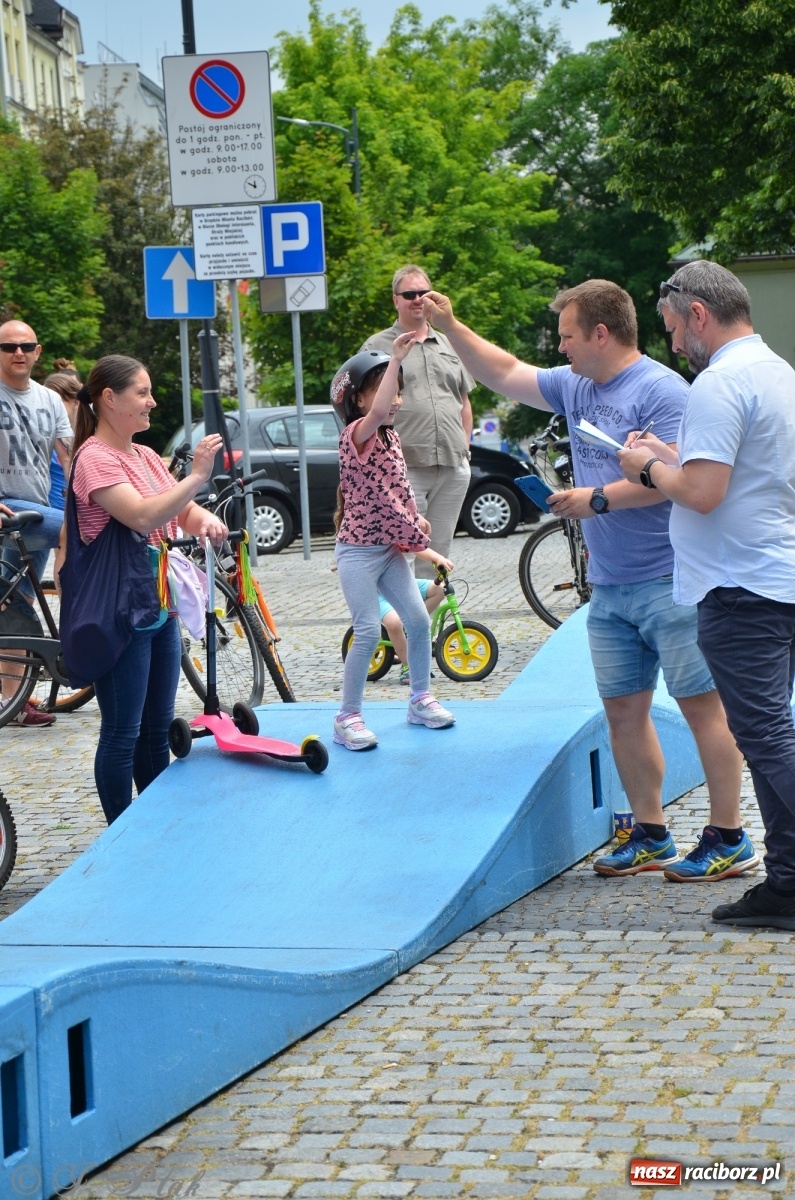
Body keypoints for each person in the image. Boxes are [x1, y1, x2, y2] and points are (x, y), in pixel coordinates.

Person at [421, 281, 756, 882]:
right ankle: (650, 832)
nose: (561, 346)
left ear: (601, 334)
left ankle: (729, 835)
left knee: (704, 711)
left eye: (568, 335)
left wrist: (596, 499)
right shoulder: (574, 385)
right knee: (624, 714)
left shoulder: (663, 389)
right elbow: (504, 372)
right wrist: (450, 326)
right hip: (609, 588)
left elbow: (679, 472)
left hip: (670, 580)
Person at [618, 261, 795, 928]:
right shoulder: (776, 371)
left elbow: (701, 493)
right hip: (773, 575)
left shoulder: (718, 383)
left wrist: (646, 465)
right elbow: (740, 471)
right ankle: (786, 883)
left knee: (767, 738)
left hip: (739, 584)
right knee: (768, 734)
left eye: (670, 329)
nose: (670, 345)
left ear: (697, 315)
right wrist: (673, 454)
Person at [62, 355, 227, 825]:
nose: (152, 402)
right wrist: (196, 476)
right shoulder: (94, 459)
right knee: (121, 731)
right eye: (142, 393)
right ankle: (122, 831)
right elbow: (141, 515)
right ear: (109, 399)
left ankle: (154, 826)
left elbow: (175, 511)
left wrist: (204, 518)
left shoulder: (145, 454)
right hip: (121, 611)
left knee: (156, 730)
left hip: (158, 606)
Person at [331, 339, 456, 750]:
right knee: (367, 630)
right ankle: (347, 717)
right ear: (355, 400)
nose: (395, 400)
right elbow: (380, 410)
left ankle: (419, 699)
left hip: (388, 551)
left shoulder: (390, 438)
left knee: (419, 622)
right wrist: (396, 358)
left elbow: (392, 490)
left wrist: (413, 517)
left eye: (399, 389)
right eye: (386, 388)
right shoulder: (356, 434)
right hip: (358, 554)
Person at [361, 266, 474, 577]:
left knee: (438, 556)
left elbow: (464, 399)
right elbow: (357, 404)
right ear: (395, 300)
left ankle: (428, 625)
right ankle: (404, 624)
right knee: (404, 553)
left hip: (452, 464)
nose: (418, 299)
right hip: (403, 466)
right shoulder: (377, 346)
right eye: (409, 294)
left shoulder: (450, 342)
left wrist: (465, 447)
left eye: (424, 293)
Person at [0, 320, 72, 727]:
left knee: (15, 606)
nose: (18, 353)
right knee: (74, 534)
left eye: (26, 346)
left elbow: (68, 458)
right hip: (9, 511)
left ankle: (12, 702)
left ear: (38, 351)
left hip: (39, 507)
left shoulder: (48, 399)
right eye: (9, 346)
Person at [380, 577, 444, 684]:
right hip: (376, 590)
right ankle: (407, 666)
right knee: (394, 623)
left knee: (440, 589)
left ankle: (410, 621)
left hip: (400, 581)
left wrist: (437, 559)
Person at [43, 371, 82, 509]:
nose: (50, 408)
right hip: (51, 511)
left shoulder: (93, 438)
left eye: (57, 402)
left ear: (76, 402)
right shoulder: (44, 437)